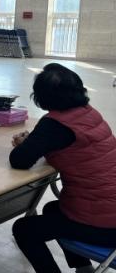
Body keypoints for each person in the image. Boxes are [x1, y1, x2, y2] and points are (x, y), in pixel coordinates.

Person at [10, 63, 116, 273]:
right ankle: (84, 269)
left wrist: (26, 144)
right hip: (108, 212)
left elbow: (19, 160)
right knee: (52, 209)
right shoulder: (90, 113)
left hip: (107, 225)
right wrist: (36, 142)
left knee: (23, 229)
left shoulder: (53, 124)